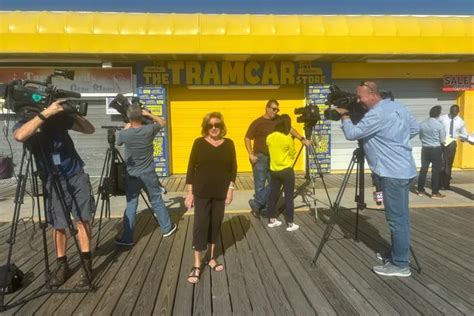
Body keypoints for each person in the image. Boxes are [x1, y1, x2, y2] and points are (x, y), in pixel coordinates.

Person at [335, 81, 419, 277]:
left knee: (396, 221)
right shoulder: (399, 107)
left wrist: (345, 115)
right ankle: (398, 254)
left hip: (392, 173)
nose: (358, 100)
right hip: (405, 169)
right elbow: (414, 129)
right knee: (402, 219)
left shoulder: (376, 113)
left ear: (372, 94)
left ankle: (400, 265)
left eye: (360, 96)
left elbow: (352, 133)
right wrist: (393, 140)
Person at [14, 99, 95, 287]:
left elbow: (89, 129)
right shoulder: (27, 120)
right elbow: (20, 136)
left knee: (82, 219)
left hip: (75, 173)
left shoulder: (60, 120)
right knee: (58, 225)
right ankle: (62, 265)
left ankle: (86, 263)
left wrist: (72, 112)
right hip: (51, 178)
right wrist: (45, 114)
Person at [185, 112, 237, 284]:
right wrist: (190, 192)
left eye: (217, 125)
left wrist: (230, 189)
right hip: (201, 191)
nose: (214, 128)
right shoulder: (199, 143)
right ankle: (197, 264)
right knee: (201, 225)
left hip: (220, 191)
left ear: (222, 127)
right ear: (205, 127)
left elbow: (233, 168)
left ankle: (212, 258)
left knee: (216, 223)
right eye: (210, 125)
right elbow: (191, 166)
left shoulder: (229, 143)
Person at [115, 103, 176, 246]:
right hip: (149, 173)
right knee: (156, 200)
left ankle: (127, 237)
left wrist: (128, 125)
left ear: (129, 118)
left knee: (131, 204)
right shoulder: (149, 129)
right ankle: (167, 228)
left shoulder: (124, 133)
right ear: (141, 116)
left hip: (133, 175)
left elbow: (118, 143)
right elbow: (163, 122)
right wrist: (148, 114)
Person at [244, 99, 310, 217]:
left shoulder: (280, 120)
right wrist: (250, 154)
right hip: (260, 157)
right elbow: (247, 138)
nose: (276, 111)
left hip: (274, 158)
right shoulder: (258, 122)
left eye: (277, 109)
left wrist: (302, 139)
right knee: (259, 184)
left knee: (274, 184)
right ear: (267, 108)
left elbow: (290, 129)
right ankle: (260, 209)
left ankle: (257, 204)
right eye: (274, 109)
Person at [266, 114, 299, 231]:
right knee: (289, 197)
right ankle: (290, 223)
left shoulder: (269, 137)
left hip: (274, 170)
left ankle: (271, 220)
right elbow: (292, 153)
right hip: (286, 171)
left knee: (273, 196)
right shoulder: (287, 138)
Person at [416, 105, 446, 198]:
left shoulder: (422, 124)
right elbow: (442, 140)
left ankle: (420, 190)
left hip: (425, 148)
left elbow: (420, 137)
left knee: (423, 169)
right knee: (436, 171)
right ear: (438, 114)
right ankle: (435, 192)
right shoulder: (440, 125)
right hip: (436, 149)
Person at [438, 104, 468, 190]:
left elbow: (463, 133)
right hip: (441, 142)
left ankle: (446, 184)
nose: (453, 112)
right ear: (450, 110)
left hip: (451, 143)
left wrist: (464, 139)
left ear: (458, 112)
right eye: (452, 110)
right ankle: (439, 183)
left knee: (448, 164)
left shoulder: (460, 121)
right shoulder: (442, 118)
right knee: (441, 163)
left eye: (455, 111)